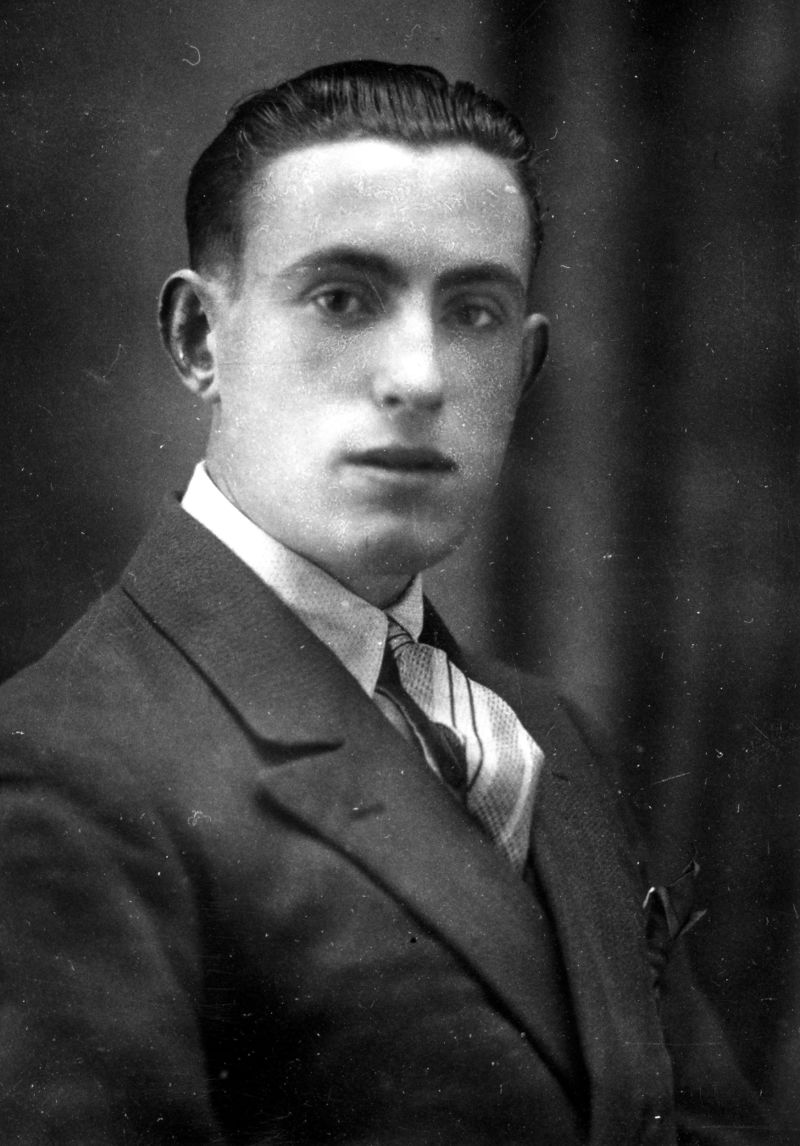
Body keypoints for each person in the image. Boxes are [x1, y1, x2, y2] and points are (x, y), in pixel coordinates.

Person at [0, 60, 768, 1144]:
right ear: (199, 339)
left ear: (526, 365)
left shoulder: (547, 736)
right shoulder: (62, 770)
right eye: (343, 298)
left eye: (473, 312)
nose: (419, 376)